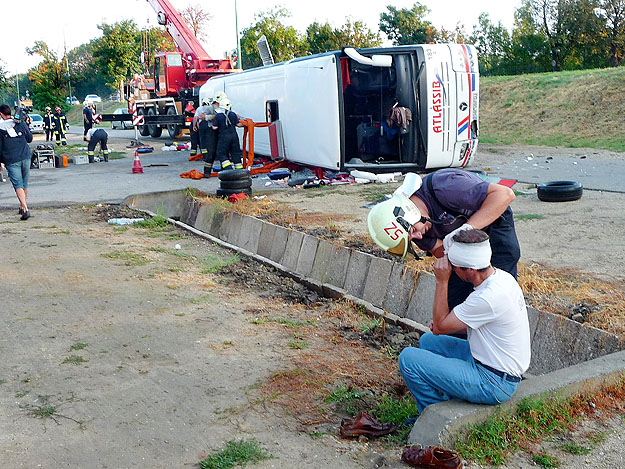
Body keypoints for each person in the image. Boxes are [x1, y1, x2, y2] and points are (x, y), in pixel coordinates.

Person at [398, 228, 530, 414]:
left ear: (471, 270)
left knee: (408, 359)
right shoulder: (502, 278)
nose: (450, 270)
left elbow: (440, 327)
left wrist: (442, 281)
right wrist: (442, 324)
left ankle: (433, 414)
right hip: (492, 363)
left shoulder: (487, 297)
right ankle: (448, 395)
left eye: (454, 267)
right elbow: (443, 326)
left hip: (494, 382)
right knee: (428, 342)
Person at [367, 170, 520, 311]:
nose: (418, 238)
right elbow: (441, 251)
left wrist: (467, 228)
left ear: (407, 211)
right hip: (461, 236)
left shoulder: (445, 186)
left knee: (500, 271)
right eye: (412, 239)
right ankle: (460, 337)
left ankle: (502, 316)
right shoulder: (418, 231)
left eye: (413, 232)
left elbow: (505, 194)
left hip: (491, 215)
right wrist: (452, 258)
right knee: (458, 289)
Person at [0, 103, 33, 220]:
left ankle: (26, 209)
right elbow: (29, 138)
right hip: (25, 156)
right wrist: (27, 125)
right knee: (24, 183)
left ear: (1, 114)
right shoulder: (21, 123)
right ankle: (22, 207)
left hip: (11, 159)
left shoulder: (0, 127)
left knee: (18, 185)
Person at [212, 97, 244, 171]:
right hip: (234, 137)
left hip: (224, 137)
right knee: (235, 153)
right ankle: (239, 171)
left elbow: (214, 127)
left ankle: (228, 168)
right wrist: (246, 124)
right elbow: (238, 125)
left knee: (220, 153)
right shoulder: (233, 114)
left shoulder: (218, 115)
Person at [193, 96, 218, 175]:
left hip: (202, 124)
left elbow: (196, 118)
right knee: (210, 141)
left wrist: (195, 126)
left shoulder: (199, 108)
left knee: (202, 140)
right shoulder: (212, 108)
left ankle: (204, 156)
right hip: (209, 126)